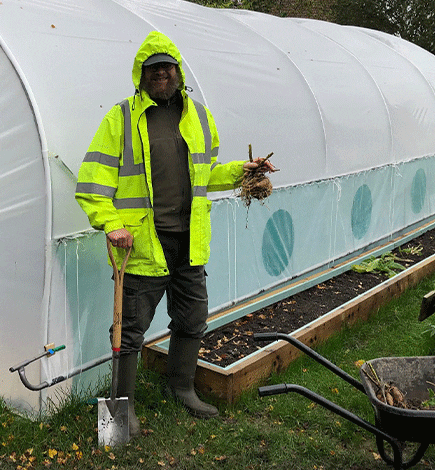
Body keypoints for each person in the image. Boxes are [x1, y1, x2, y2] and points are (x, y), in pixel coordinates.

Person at [75, 31, 270, 436]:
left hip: (189, 241)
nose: (161, 73)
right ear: (141, 74)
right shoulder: (121, 118)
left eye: (167, 66)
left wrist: (240, 173)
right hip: (143, 245)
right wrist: (111, 224)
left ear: (178, 71)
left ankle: (181, 387)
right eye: (153, 68)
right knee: (129, 331)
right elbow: (92, 184)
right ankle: (122, 410)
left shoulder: (198, 115)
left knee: (192, 318)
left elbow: (204, 175)